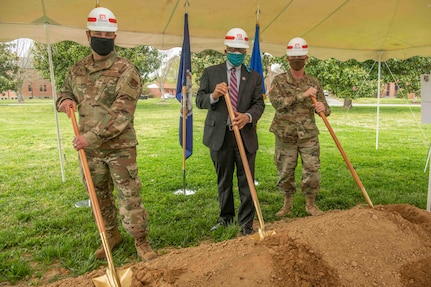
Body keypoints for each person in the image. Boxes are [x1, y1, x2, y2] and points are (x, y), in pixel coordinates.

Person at [56, 6, 157, 261]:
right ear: (88, 35)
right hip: (89, 150)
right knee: (98, 195)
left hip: (119, 147)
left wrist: (89, 138)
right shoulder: (76, 70)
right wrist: (65, 102)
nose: (103, 37)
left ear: (115, 36)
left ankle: (141, 241)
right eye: (98, 32)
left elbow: (122, 112)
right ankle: (110, 235)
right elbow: (64, 92)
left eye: (108, 33)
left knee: (129, 195)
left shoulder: (126, 70)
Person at [196, 28, 265, 235]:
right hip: (220, 136)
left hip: (244, 135)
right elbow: (199, 100)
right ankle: (225, 218)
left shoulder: (253, 77)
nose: (237, 52)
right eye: (233, 48)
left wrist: (248, 117)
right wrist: (214, 95)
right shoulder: (210, 72)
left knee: (246, 180)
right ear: (225, 49)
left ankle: (246, 224)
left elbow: (259, 104)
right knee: (223, 180)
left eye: (241, 49)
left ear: (245, 51)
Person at [268, 37, 331, 217]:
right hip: (285, 134)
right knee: (285, 171)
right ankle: (287, 203)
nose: (297, 60)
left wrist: (322, 108)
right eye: (293, 57)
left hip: (308, 134)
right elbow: (278, 104)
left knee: (312, 170)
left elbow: (326, 108)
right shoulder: (279, 81)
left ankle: (310, 204)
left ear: (306, 59)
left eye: (300, 57)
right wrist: (302, 95)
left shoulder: (313, 82)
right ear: (287, 59)